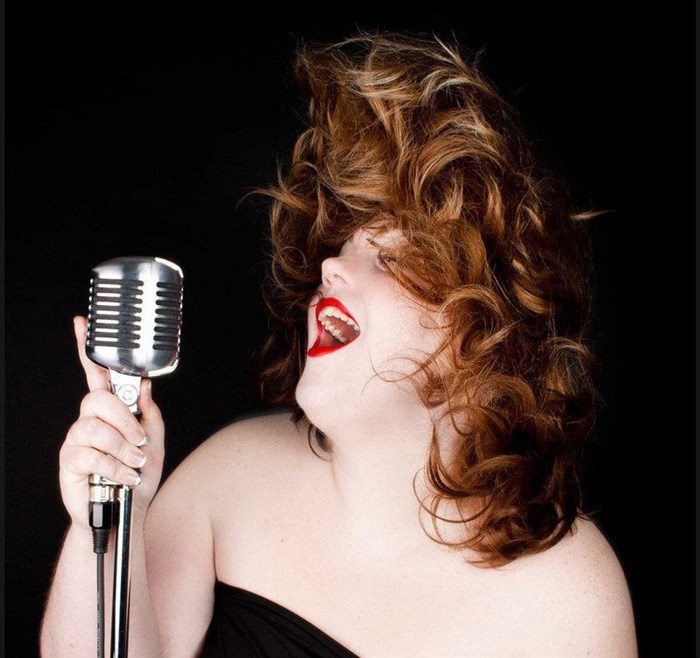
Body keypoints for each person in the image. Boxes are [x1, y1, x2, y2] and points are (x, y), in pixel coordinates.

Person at [40, 31, 637, 657]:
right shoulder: (232, 470)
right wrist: (109, 527)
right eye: (342, 248)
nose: (329, 269)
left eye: (389, 258)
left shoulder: (570, 596)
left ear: (486, 336)